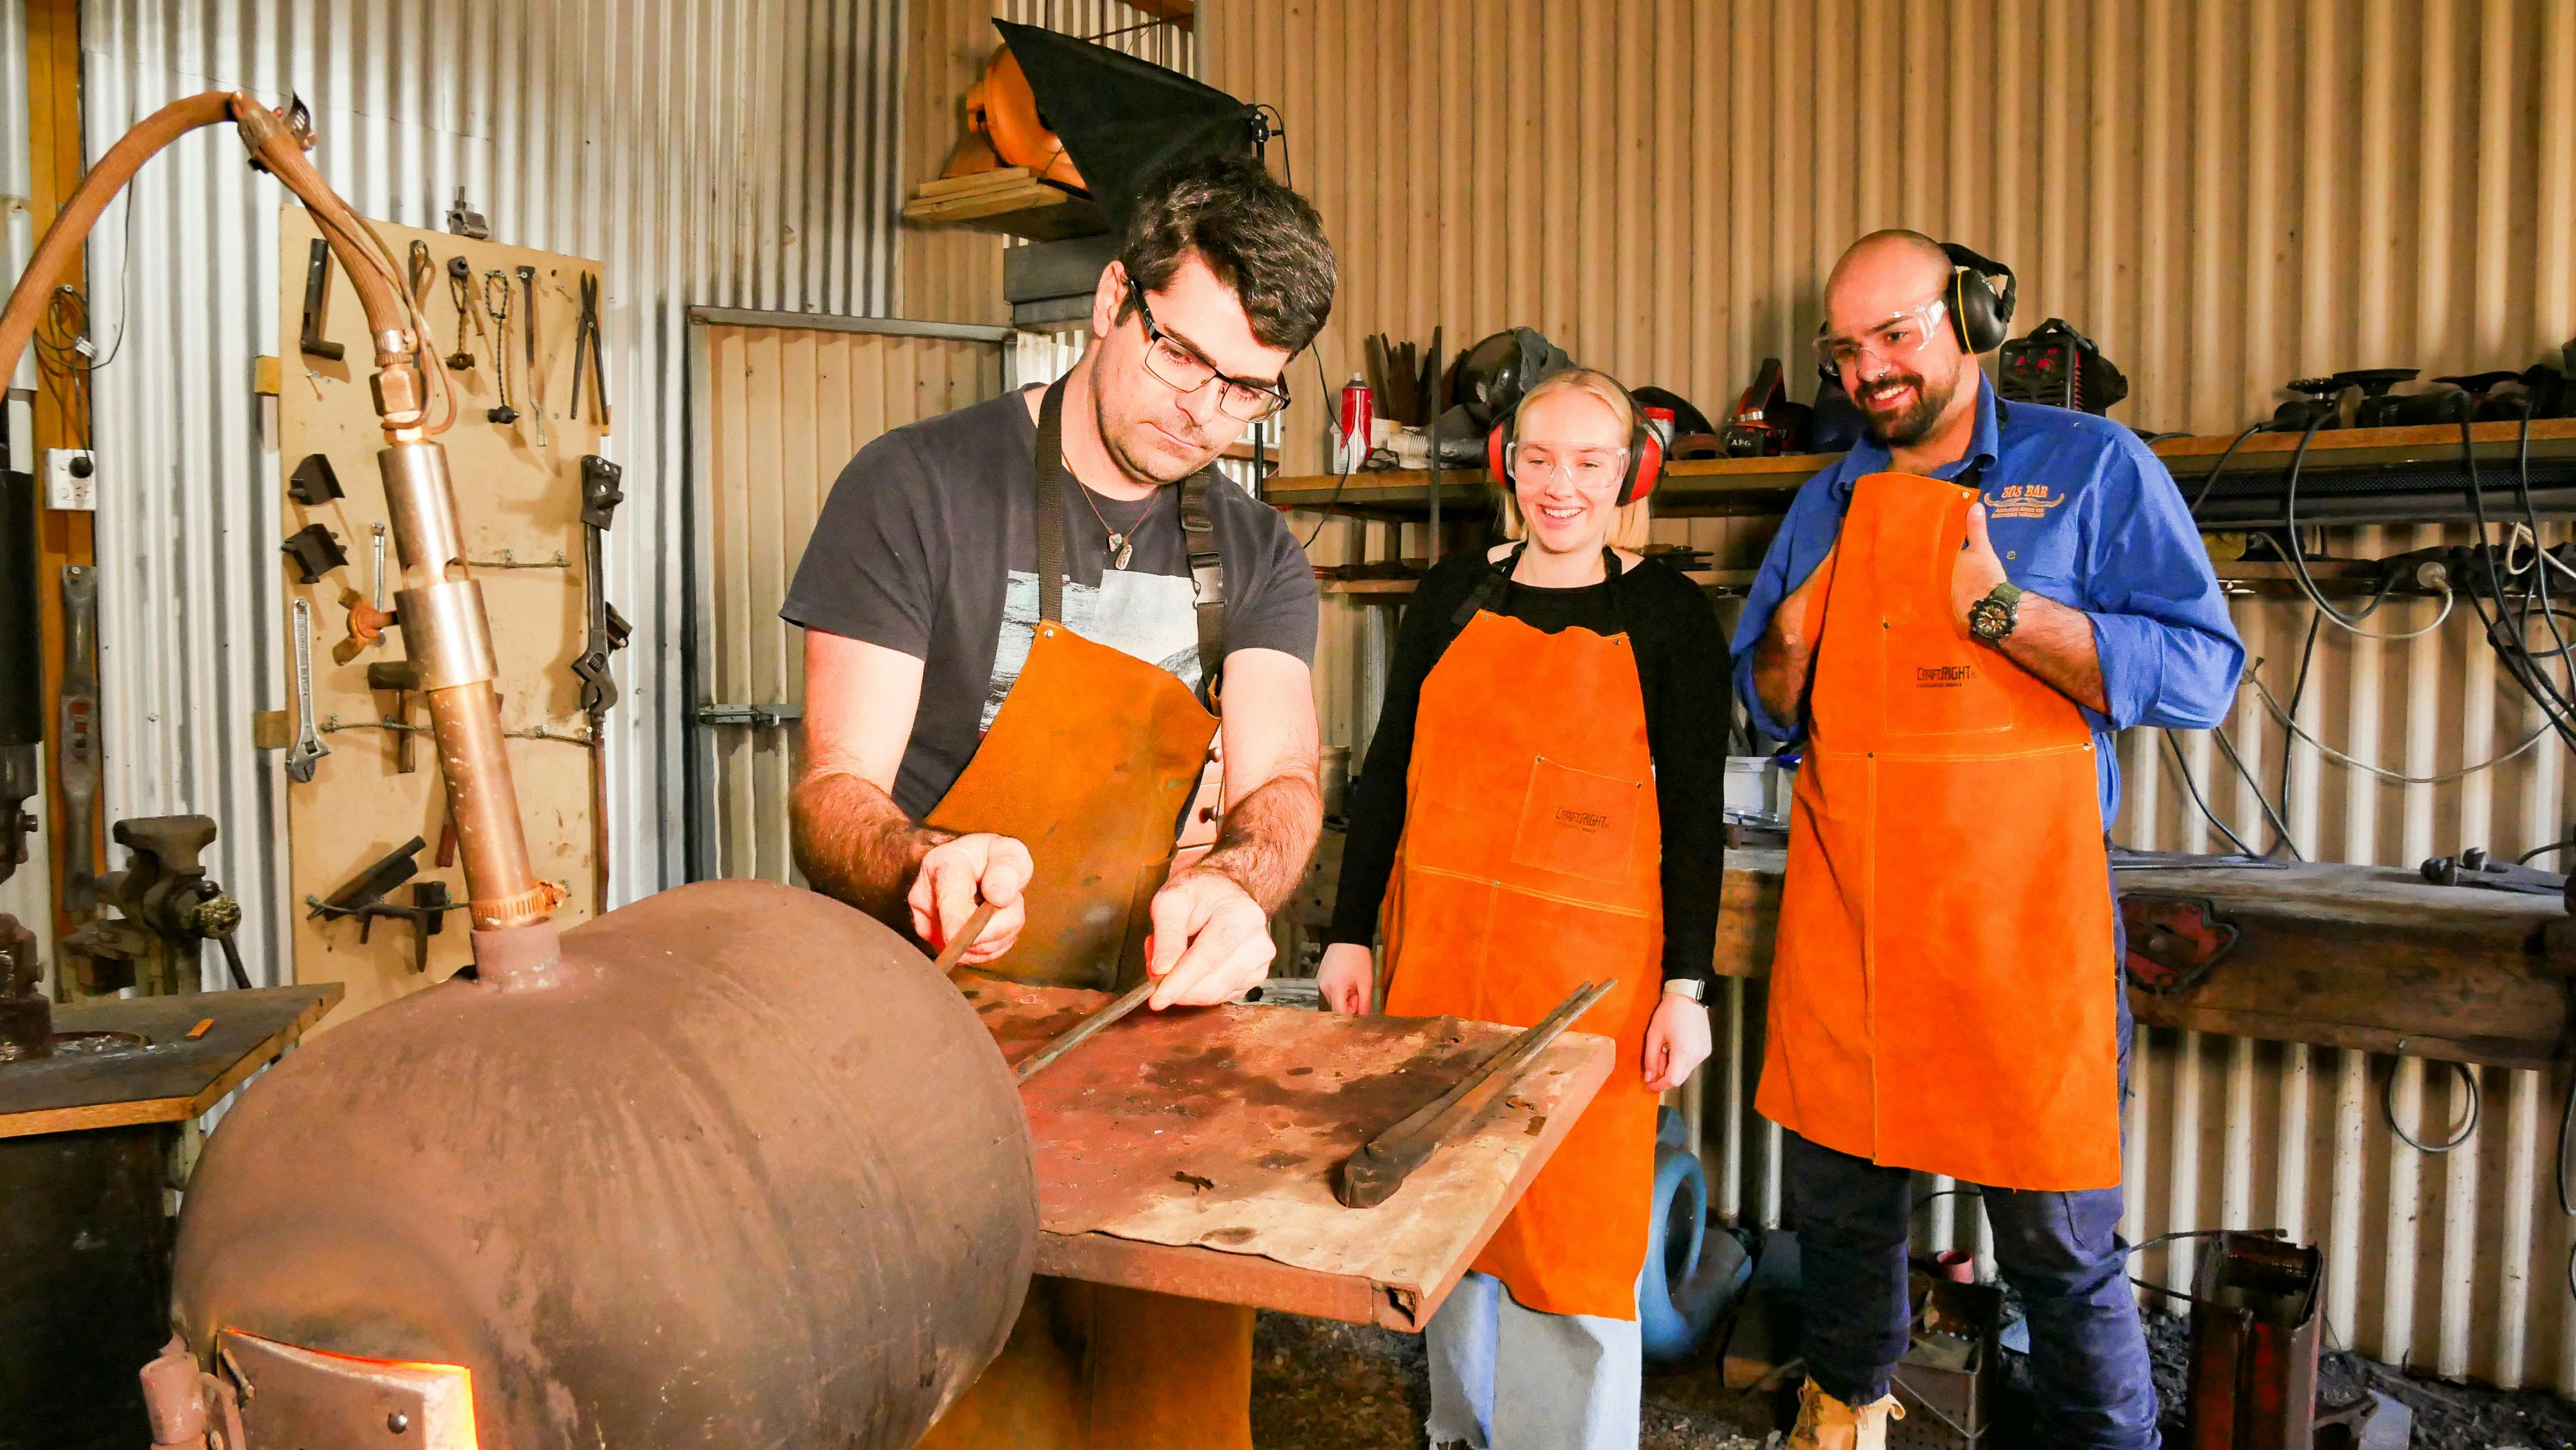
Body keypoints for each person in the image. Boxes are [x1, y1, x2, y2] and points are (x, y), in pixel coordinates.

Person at [779, 151, 1335, 1450]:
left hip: (1158, 1046)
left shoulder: (1256, 552)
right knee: (970, 1403)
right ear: (1111, 301)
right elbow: (832, 790)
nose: (1206, 413)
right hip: (940, 1041)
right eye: (1182, 357)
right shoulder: (914, 488)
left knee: (1170, 1414)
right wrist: (921, 864)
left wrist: (1237, 886)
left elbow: (1281, 781)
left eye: (1247, 388)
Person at [1733, 230, 2242, 1450]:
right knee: (1842, 1228)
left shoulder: (2092, 466)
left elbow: (2202, 672)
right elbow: (1765, 701)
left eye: (1895, 334)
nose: (1869, 370)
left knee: (2059, 1252)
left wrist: (2005, 611)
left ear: (1972, 319)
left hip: (2021, 934)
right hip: (1854, 927)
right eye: (1844, 349)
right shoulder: (1823, 499)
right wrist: (1790, 638)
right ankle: (1843, 1418)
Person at [1317, 366, 1728, 1450]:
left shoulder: (1669, 616)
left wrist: (1687, 988)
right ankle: (1460, 1430)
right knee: (1445, 1215)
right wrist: (1349, 932)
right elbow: (1388, 770)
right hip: (1441, 962)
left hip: (1591, 990)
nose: (1561, 486)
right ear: (1507, 465)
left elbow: (1696, 817)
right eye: (1539, 459)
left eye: (1590, 463)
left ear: (1631, 474)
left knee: (1572, 1239)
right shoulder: (1453, 595)